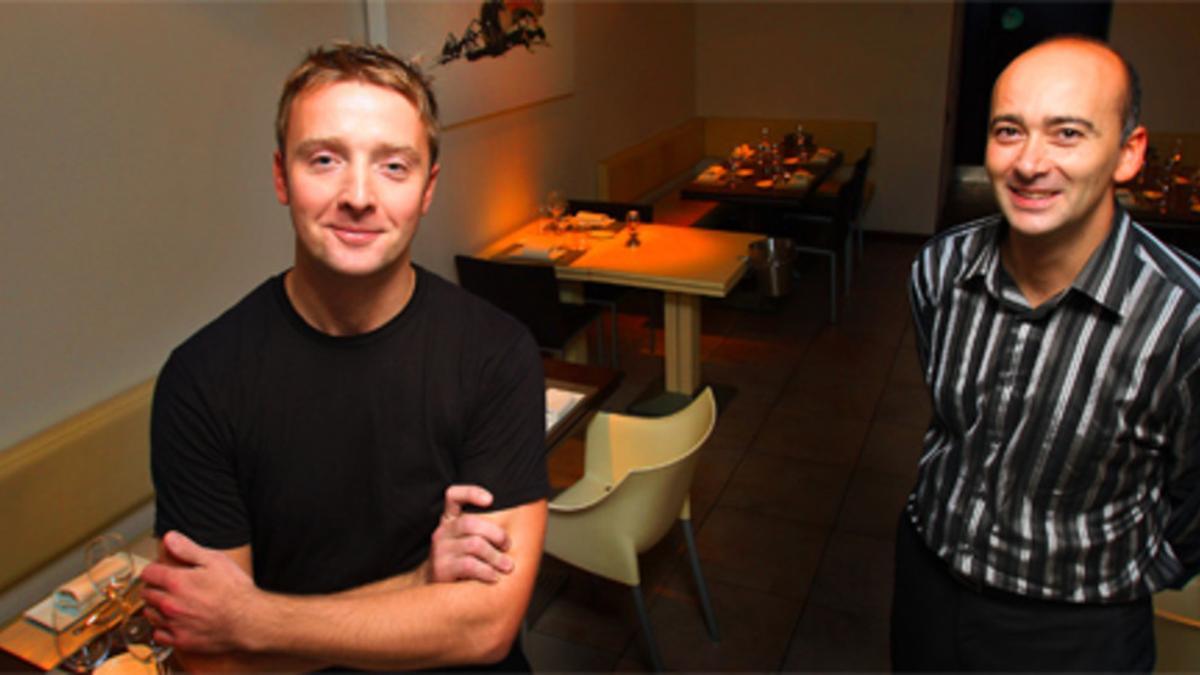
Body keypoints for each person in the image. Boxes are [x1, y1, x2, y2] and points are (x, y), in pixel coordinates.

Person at [140, 43, 547, 672]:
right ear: (281, 176)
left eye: (393, 166)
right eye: (324, 159)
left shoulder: (496, 353)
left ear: (428, 188)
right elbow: (216, 664)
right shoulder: (202, 380)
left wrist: (251, 619)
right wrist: (420, 588)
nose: (358, 195)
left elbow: (485, 626)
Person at [894, 36, 1200, 671]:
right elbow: (953, 425)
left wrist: (1124, 573)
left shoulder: (1184, 317)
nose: (1029, 163)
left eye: (1066, 133)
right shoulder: (940, 269)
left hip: (1075, 632)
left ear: (1127, 153)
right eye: (1009, 131)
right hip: (929, 585)